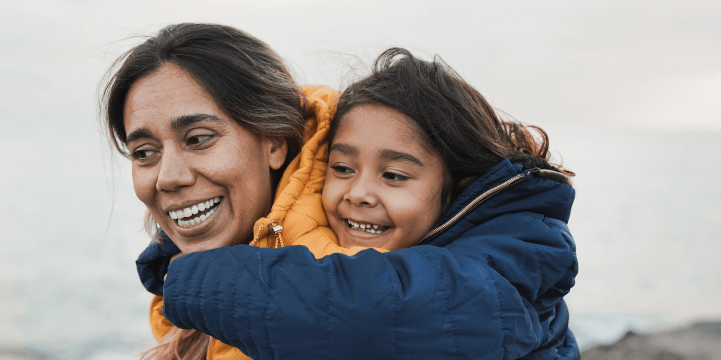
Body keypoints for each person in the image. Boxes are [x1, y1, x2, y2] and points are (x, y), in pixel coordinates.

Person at [153, 48, 580, 359]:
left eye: (394, 176)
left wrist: (190, 280)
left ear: (457, 186)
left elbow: (373, 311)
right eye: (341, 168)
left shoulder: (514, 251)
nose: (358, 193)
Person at [103, 23, 374, 360]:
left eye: (198, 138)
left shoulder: (363, 273)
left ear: (274, 141)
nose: (168, 178)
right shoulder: (186, 295)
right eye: (144, 152)